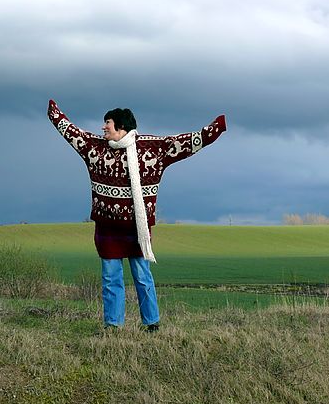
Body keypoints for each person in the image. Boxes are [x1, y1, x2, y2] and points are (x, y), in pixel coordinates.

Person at [48, 99, 226, 331]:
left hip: (137, 231)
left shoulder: (151, 149)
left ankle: (151, 323)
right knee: (111, 279)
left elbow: (185, 143)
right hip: (107, 229)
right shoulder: (96, 148)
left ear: (121, 127)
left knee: (142, 277)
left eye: (108, 124)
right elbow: (72, 133)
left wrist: (214, 128)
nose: (103, 128)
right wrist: (54, 113)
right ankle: (113, 326)